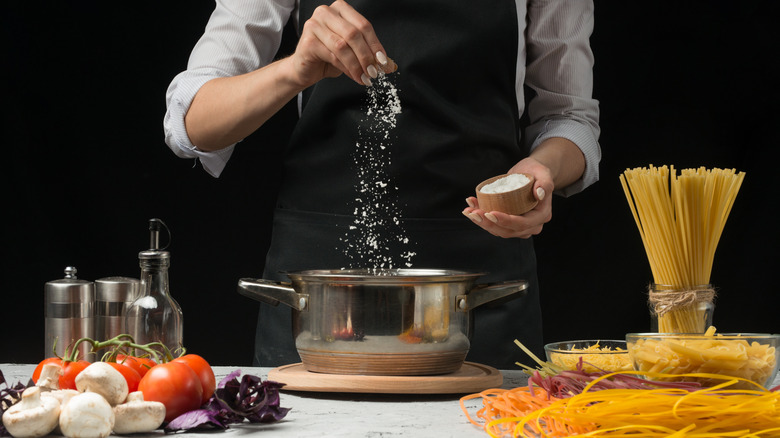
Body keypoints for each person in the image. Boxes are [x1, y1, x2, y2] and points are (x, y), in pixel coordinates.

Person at [164, 0, 600, 370]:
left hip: (477, 288)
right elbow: (192, 123)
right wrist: (295, 70)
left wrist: (542, 170)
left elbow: (570, 118)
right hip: (322, 291)